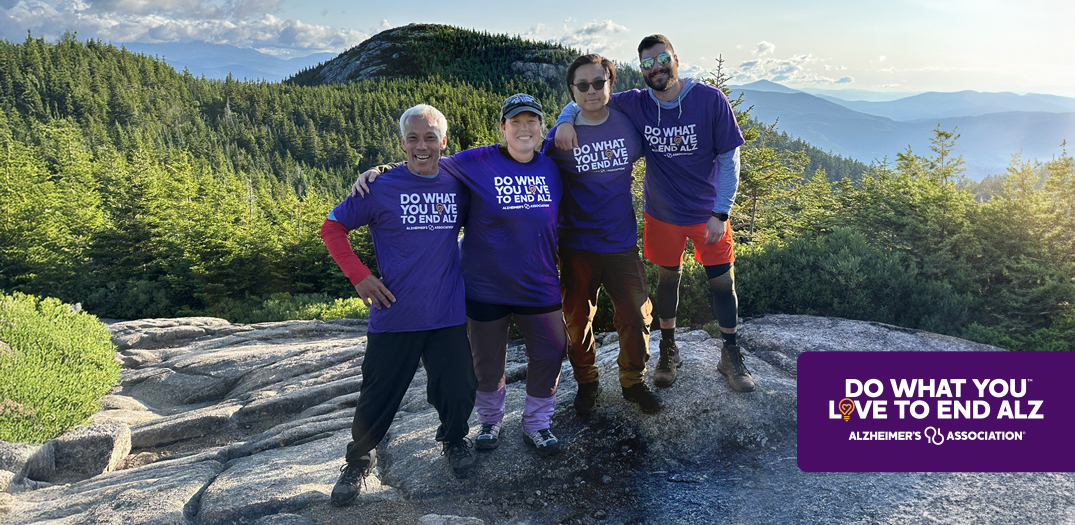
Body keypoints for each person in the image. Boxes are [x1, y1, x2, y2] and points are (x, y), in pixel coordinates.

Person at [354, 94, 568, 458]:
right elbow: (426, 158)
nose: (524, 128)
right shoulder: (476, 160)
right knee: (486, 361)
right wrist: (383, 172)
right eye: (515, 122)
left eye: (531, 121)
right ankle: (489, 420)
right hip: (485, 285)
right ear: (503, 128)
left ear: (540, 127)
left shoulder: (550, 167)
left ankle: (537, 422)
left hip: (540, 282)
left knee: (552, 349)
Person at [555, 34, 754, 393]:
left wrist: (721, 212)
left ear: (676, 59)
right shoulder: (636, 103)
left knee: (723, 283)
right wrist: (566, 119)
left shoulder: (710, 100)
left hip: (709, 214)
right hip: (662, 215)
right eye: (647, 64)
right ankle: (668, 349)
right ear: (641, 70)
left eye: (662, 59)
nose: (656, 68)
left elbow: (730, 159)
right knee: (667, 281)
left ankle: (730, 352)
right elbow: (592, 100)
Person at [320, 104, 478, 507]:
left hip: (446, 311)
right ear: (403, 142)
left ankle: (455, 440)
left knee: (458, 387)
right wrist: (360, 276)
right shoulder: (379, 188)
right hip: (395, 312)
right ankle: (358, 461)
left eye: (430, 137)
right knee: (378, 394)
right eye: (413, 137)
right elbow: (332, 227)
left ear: (444, 141)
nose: (421, 146)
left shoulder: (458, 182)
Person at [541, 54, 663, 415]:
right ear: (572, 91)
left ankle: (633, 382)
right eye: (582, 85)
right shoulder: (558, 138)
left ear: (611, 84)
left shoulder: (627, 126)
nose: (591, 90)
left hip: (620, 243)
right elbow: (530, 169)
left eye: (599, 83)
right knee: (576, 321)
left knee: (637, 315)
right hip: (576, 245)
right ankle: (587, 382)